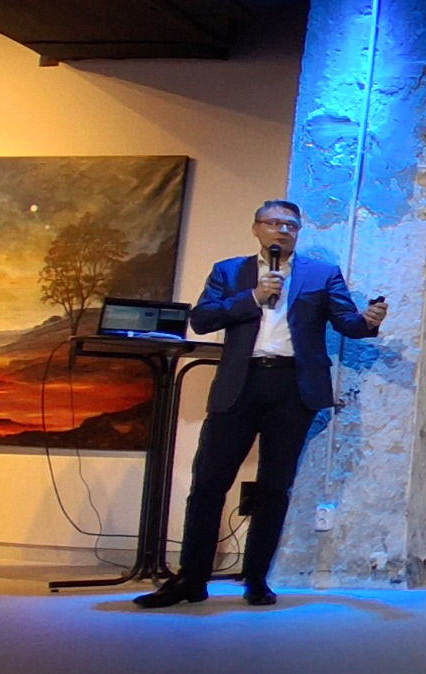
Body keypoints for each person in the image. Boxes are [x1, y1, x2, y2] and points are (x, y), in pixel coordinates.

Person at [134, 200, 387, 608]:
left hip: (293, 387)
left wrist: (370, 321)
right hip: (240, 384)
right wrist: (253, 296)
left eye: (291, 225)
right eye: (274, 223)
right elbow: (202, 319)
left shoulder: (322, 274)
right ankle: (191, 579)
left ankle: (256, 579)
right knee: (208, 484)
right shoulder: (229, 271)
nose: (282, 231)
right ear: (256, 229)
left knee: (274, 487)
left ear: (298, 232)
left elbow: (348, 324)